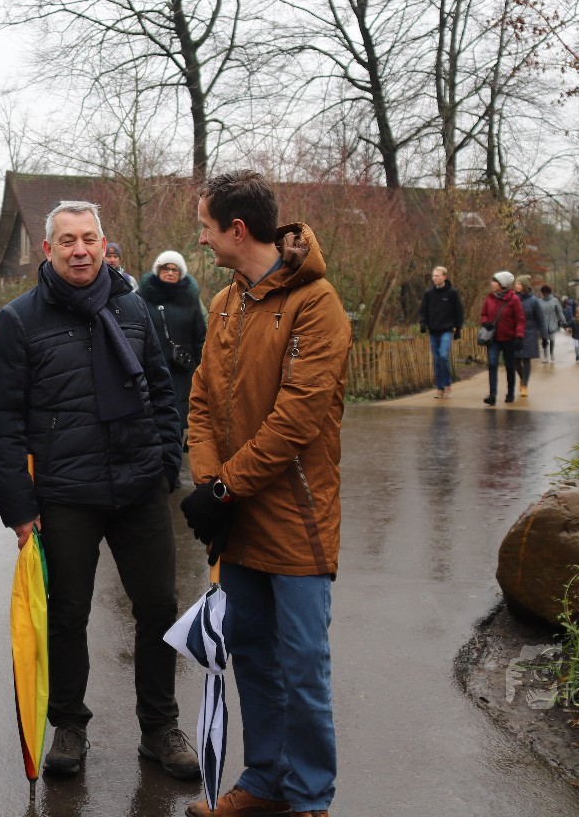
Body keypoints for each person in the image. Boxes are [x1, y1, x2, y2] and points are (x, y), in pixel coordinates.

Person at [0, 200, 198, 781]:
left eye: (88, 239)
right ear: (47, 250)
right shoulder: (18, 320)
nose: (79, 250)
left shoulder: (133, 307)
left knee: (158, 608)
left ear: (104, 245)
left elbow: (162, 392)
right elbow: (2, 420)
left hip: (139, 486)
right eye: (67, 240)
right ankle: (69, 726)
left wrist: (165, 464)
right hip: (64, 494)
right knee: (67, 613)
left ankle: (160, 726)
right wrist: (19, 507)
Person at [178, 170, 349, 817]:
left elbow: (296, 421)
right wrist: (209, 485)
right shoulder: (226, 302)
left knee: (302, 666)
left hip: (296, 519)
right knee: (250, 653)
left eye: (206, 227)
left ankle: (310, 799)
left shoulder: (316, 304)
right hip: (238, 517)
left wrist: (224, 488)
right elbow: (201, 402)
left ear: (238, 229)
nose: (201, 239)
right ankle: (266, 781)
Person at [138, 249, 208, 448]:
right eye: (165, 268)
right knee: (151, 417)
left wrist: (201, 367)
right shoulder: (142, 298)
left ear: (181, 273)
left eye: (175, 269)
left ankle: (173, 459)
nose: (170, 272)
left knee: (176, 417)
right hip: (150, 368)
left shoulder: (190, 300)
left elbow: (200, 337)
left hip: (181, 369)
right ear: (157, 270)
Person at [417, 265, 464, 398]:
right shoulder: (429, 293)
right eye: (433, 276)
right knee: (437, 360)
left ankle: (448, 384)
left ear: (444, 277)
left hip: (447, 330)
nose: (435, 278)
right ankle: (440, 387)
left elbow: (459, 311)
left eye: (437, 276)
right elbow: (423, 310)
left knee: (443, 356)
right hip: (433, 330)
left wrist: (458, 328)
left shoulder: (452, 293)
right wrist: (423, 323)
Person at [480, 271, 525, 407]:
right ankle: (492, 395)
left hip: (509, 338)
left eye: (495, 282)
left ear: (502, 284)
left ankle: (510, 393)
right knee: (492, 364)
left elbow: (520, 319)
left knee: (509, 366)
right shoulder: (489, 298)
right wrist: (485, 322)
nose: (492, 284)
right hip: (493, 338)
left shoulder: (514, 299)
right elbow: (484, 314)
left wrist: (519, 336)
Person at [512, 276, 543, 398]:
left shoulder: (534, 301)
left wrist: (544, 336)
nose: (516, 286)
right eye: (516, 283)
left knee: (526, 359)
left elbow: (540, 319)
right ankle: (522, 377)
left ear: (524, 285)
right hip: (515, 333)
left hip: (529, 333)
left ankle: (524, 385)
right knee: (515, 359)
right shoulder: (513, 299)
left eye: (519, 284)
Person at [535, 285, 566, 363]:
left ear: (549, 292)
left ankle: (552, 353)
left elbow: (560, 312)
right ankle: (546, 356)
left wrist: (564, 321)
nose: (545, 294)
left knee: (552, 339)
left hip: (552, 323)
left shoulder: (555, 300)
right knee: (545, 340)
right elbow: (536, 313)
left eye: (546, 293)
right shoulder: (539, 301)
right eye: (544, 293)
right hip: (543, 324)